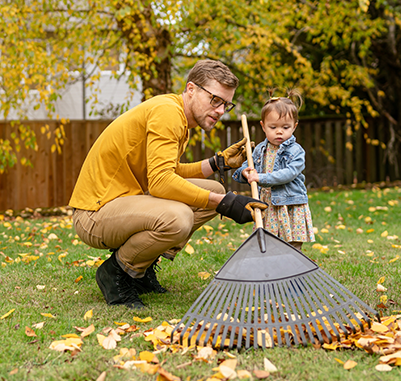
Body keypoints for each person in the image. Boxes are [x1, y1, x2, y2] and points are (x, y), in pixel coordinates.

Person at [69, 59, 267, 309]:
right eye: (215, 100)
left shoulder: (177, 115)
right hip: (94, 214)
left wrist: (219, 163)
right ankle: (116, 273)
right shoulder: (167, 113)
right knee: (179, 217)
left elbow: (169, 172)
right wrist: (225, 203)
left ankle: (141, 268)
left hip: (123, 202)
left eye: (226, 104)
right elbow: (161, 183)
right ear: (191, 89)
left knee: (214, 190)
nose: (220, 110)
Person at [232, 95, 314, 251]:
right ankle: (274, 271)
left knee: (291, 244)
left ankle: (292, 269)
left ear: (294, 126)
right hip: (268, 205)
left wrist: (260, 177)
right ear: (263, 126)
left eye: (285, 127)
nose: (279, 132)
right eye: (273, 127)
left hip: (289, 205)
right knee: (269, 242)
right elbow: (245, 167)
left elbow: (287, 174)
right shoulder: (259, 150)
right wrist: (245, 173)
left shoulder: (296, 151)